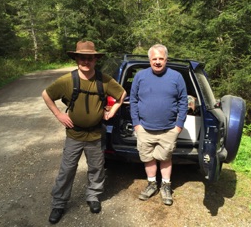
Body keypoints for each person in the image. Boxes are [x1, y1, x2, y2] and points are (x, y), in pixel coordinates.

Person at [42, 40, 126, 224]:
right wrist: (58, 115)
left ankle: (93, 197)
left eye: (89, 58)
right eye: (82, 58)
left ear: (95, 59)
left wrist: (112, 110)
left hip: (96, 134)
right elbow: (46, 95)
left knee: (96, 168)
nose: (85, 62)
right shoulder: (67, 80)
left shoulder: (103, 80)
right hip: (74, 134)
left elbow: (122, 94)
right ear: (77, 58)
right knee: (67, 170)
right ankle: (59, 203)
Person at [130, 44, 188, 206]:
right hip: (144, 129)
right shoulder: (140, 76)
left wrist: (178, 126)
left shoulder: (176, 77)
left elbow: (183, 102)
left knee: (165, 157)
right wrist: (136, 124)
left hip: (169, 129)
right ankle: (151, 184)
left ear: (166, 59)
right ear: (150, 59)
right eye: (154, 58)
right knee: (147, 157)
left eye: (160, 58)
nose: (157, 62)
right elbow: (133, 100)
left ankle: (166, 186)